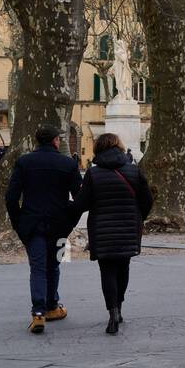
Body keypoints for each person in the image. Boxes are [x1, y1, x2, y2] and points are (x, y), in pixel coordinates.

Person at [71, 133, 152, 335]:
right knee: (123, 268)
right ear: (120, 147)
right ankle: (120, 307)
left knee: (107, 271)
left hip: (102, 230)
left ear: (98, 149)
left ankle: (112, 312)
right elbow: (147, 200)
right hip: (128, 228)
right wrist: (138, 215)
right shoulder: (134, 171)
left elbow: (82, 204)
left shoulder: (93, 174)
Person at [4, 126, 82, 334]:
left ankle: (38, 313)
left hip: (32, 225)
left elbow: (11, 197)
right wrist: (71, 221)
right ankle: (52, 306)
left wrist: (18, 222)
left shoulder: (24, 162)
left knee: (37, 268)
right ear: (56, 141)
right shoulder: (68, 164)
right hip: (60, 227)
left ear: (37, 141)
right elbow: (79, 198)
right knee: (55, 266)